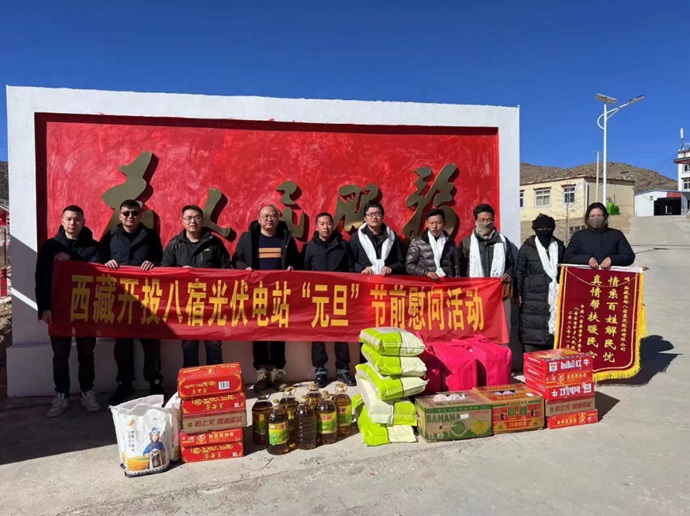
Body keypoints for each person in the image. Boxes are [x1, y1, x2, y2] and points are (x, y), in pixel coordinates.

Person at [35, 205, 103, 417]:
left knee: (86, 353)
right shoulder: (50, 247)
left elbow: (98, 273)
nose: (73, 223)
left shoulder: (94, 247)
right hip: (58, 308)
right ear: (62, 221)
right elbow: (41, 278)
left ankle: (87, 392)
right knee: (60, 354)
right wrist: (44, 308)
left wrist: (71, 262)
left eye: (77, 219)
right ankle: (61, 394)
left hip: (86, 308)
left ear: (83, 222)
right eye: (69, 219)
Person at [101, 199, 164, 405]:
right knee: (123, 343)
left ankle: (154, 381)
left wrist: (153, 264)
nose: (130, 217)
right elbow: (98, 261)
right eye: (126, 213)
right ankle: (124, 383)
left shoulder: (151, 237)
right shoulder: (110, 237)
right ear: (120, 216)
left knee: (151, 341)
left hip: (147, 297)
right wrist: (106, 263)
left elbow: (163, 262)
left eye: (135, 213)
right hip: (120, 298)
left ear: (140, 215)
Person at [233, 204, 300, 391]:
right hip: (257, 293)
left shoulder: (286, 238)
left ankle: (278, 373)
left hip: (279, 292)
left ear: (278, 219)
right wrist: (244, 268)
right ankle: (262, 373)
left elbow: (297, 260)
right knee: (259, 332)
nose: (269, 219)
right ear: (259, 218)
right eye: (266, 216)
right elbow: (236, 259)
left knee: (279, 332)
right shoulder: (248, 238)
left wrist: (292, 266)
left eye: (273, 216)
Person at [162, 204, 232, 367]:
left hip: (211, 302)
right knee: (189, 344)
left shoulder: (214, 243)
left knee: (214, 344)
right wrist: (181, 272)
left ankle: (215, 379)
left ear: (202, 221)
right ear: (182, 221)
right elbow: (164, 271)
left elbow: (227, 270)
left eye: (196, 218)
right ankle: (192, 380)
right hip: (186, 303)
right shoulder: (175, 245)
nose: (192, 221)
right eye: (188, 218)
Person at [303, 212, 357, 388]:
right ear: (316, 226)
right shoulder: (310, 247)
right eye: (322, 224)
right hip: (317, 299)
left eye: (328, 223)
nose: (326, 227)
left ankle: (343, 370)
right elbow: (304, 273)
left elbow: (350, 269)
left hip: (339, 297)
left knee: (340, 334)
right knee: (318, 335)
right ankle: (320, 371)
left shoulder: (343, 245)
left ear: (332, 226)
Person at [459, 203, 515, 335]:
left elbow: (511, 264)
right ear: (476, 221)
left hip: (499, 293)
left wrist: (508, 273)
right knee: (476, 327)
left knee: (500, 329)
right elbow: (461, 268)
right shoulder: (467, 242)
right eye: (482, 220)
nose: (486, 223)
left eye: (489, 220)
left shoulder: (503, 241)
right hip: (475, 294)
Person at [516, 214, 566, 353]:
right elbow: (519, 272)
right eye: (541, 228)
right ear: (535, 229)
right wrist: (518, 293)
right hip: (531, 301)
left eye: (548, 228)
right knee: (532, 346)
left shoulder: (559, 247)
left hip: (555, 300)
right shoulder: (527, 247)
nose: (544, 231)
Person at [563, 202, 635, 269]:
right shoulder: (578, 236)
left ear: (605, 217)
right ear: (587, 218)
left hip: (610, 276)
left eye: (599, 215)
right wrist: (587, 259)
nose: (596, 218)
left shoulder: (616, 234)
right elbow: (567, 257)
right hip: (585, 276)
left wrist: (612, 259)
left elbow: (629, 256)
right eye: (592, 216)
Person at [349, 201, 405, 276]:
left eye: (377, 214)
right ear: (365, 218)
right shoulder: (356, 238)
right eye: (370, 214)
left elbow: (401, 262)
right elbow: (350, 262)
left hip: (387, 279)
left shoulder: (393, 237)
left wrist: (391, 268)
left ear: (382, 217)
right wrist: (362, 269)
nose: (374, 217)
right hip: (364, 278)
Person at [405, 208, 460, 279]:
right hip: (426, 282)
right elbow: (409, 266)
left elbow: (456, 266)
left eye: (438, 223)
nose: (435, 226)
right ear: (427, 224)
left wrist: (457, 282)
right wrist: (426, 273)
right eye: (432, 223)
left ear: (444, 224)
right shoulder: (417, 242)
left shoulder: (450, 242)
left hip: (447, 282)